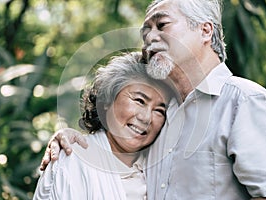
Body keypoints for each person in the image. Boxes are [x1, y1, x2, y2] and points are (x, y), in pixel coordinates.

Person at [40, 0, 266, 199]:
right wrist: (69, 138)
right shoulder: (163, 116)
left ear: (205, 30)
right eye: (146, 31)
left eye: (161, 25)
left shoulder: (245, 102)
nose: (149, 37)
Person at [33, 52, 173, 199]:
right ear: (107, 100)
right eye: (139, 101)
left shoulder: (158, 169)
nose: (146, 118)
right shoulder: (73, 161)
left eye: (159, 110)